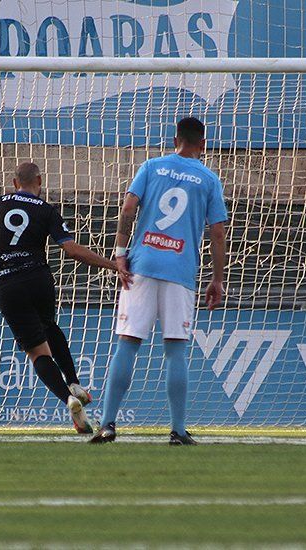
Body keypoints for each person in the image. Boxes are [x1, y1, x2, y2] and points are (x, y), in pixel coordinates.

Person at [0, 162, 127, 433]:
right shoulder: (46, 209)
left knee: (37, 353)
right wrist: (111, 264)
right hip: (38, 280)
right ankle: (74, 381)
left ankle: (69, 398)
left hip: (8, 283)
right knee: (49, 326)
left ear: (14, 183)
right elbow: (71, 250)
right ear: (40, 180)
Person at [91, 117, 228, 445]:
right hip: (179, 269)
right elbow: (218, 232)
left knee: (128, 342)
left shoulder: (151, 166)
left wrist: (120, 253)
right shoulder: (208, 179)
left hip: (143, 263)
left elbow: (128, 208)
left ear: (175, 139)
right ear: (203, 144)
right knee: (175, 349)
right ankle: (178, 431)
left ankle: (108, 424)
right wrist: (217, 280)